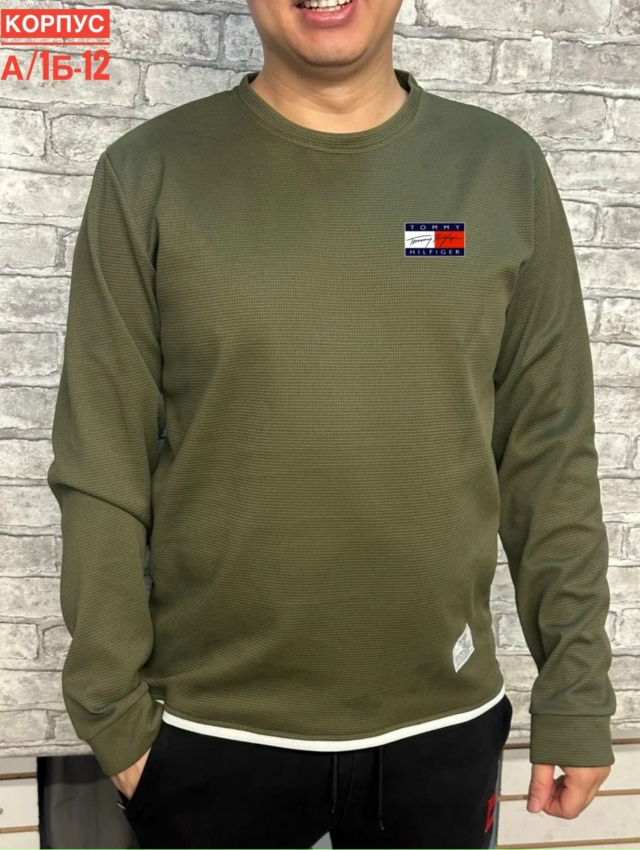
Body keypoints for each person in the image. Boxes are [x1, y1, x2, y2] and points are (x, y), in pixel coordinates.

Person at [46, 0, 616, 847]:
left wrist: (576, 692)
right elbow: (102, 459)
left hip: (443, 727)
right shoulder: (149, 173)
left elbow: (549, 449)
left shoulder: (501, 170)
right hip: (208, 734)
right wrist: (114, 718)